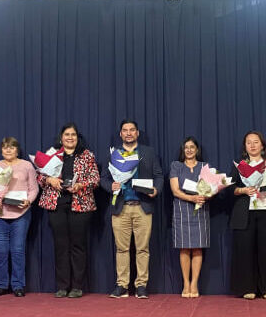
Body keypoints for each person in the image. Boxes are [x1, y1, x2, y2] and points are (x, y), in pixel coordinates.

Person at [36, 123, 100, 298]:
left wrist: (81, 185)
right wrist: (49, 180)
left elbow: (95, 179)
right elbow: (39, 176)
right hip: (56, 204)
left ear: (77, 138)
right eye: (67, 134)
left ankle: (77, 286)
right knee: (61, 246)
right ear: (61, 137)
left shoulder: (86, 155)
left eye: (73, 135)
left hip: (81, 205)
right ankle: (63, 286)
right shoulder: (52, 153)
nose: (70, 137)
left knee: (78, 246)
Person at [102, 120, 163, 299]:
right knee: (121, 249)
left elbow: (158, 175)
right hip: (120, 206)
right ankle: (122, 285)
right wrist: (110, 186)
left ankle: (141, 285)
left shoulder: (148, 152)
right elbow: (103, 178)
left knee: (143, 249)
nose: (128, 133)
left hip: (142, 206)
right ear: (120, 134)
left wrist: (156, 189)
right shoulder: (113, 154)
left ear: (137, 133)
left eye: (132, 130)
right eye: (125, 130)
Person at [0, 137, 39, 297]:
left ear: (17, 150)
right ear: (1, 150)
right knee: (1, 250)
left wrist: (28, 201)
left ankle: (18, 285)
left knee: (18, 250)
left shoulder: (27, 166)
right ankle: (1, 285)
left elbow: (34, 189)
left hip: (21, 214)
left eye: (11, 147)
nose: (8, 150)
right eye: (5, 147)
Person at [229, 131, 266, 300]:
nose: (252, 145)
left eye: (255, 142)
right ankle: (247, 288)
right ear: (245, 147)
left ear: (262, 145)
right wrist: (243, 190)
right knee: (245, 251)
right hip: (244, 214)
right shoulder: (239, 166)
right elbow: (229, 188)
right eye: (248, 143)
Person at [168, 137, 210, 298]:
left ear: (197, 150)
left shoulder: (204, 167)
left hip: (200, 209)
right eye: (186, 147)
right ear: (183, 150)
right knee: (184, 247)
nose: (189, 150)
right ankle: (185, 283)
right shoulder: (176, 166)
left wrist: (206, 196)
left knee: (198, 247)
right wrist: (192, 198)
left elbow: (211, 188)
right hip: (182, 210)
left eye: (192, 147)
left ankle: (194, 284)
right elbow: (175, 190)